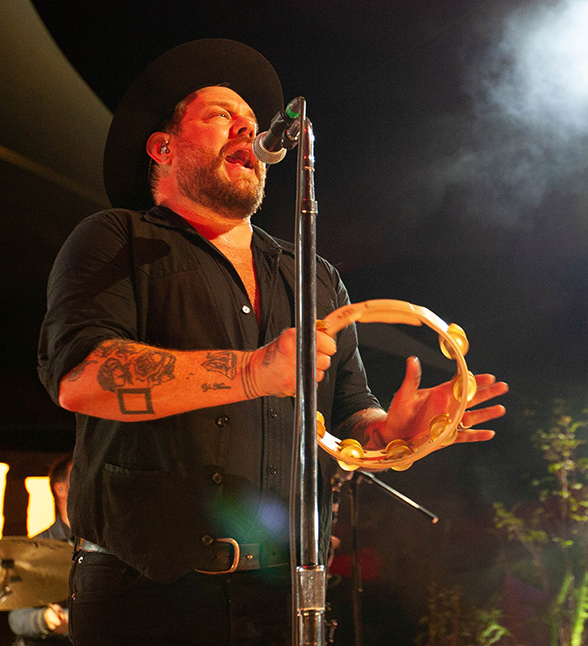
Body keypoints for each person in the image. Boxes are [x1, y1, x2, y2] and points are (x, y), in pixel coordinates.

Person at [36, 39, 507, 646]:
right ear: (163, 147)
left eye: (253, 125)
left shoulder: (315, 276)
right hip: (143, 598)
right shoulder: (113, 239)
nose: (246, 130)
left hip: (284, 599)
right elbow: (80, 376)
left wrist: (392, 436)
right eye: (220, 116)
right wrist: (253, 370)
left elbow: (347, 419)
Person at [7, 454, 74, 645]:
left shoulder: (109, 543)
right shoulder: (36, 547)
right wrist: (44, 619)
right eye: (79, 474)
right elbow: (17, 618)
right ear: (60, 488)